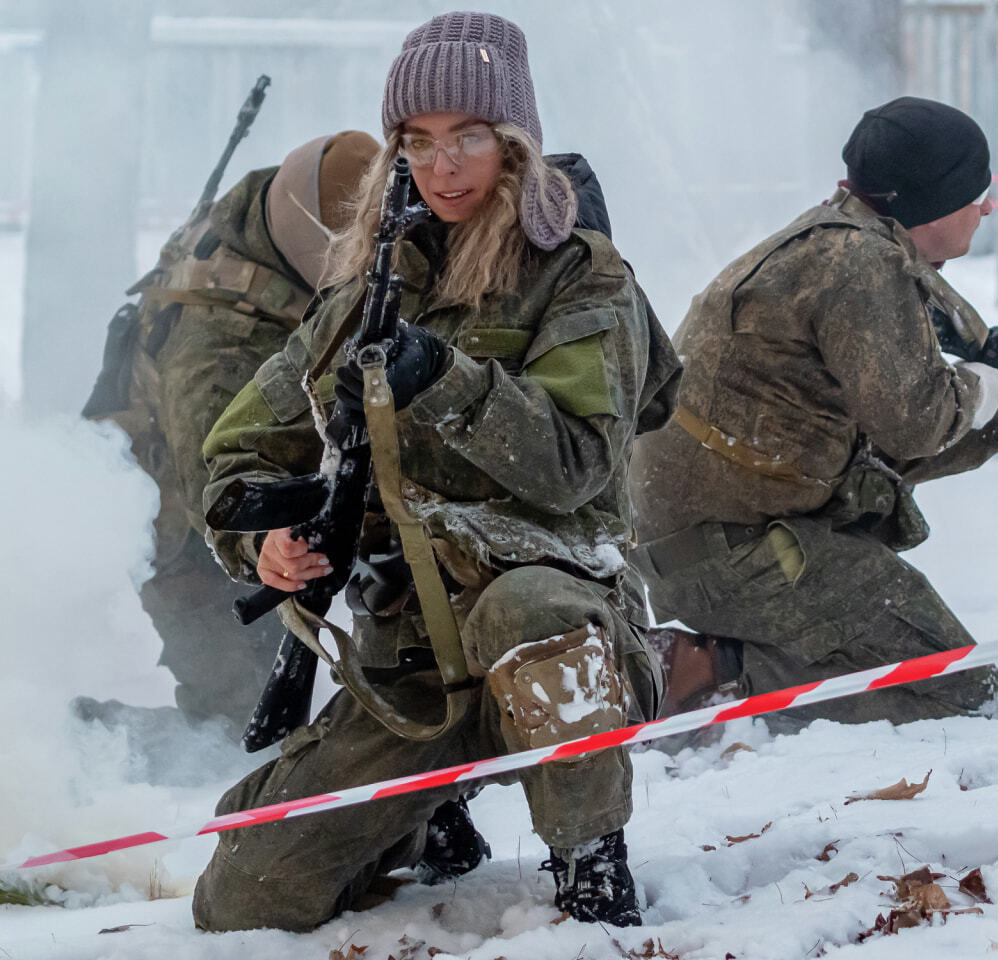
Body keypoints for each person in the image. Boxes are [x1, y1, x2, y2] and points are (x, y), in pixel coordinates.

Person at [192, 11, 680, 932]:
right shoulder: (367, 288)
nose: (443, 165)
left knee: (528, 605)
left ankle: (591, 865)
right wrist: (263, 541)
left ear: (515, 145)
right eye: (418, 142)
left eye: (469, 138)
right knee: (244, 898)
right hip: (411, 662)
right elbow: (238, 448)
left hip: (559, 636)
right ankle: (427, 821)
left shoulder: (581, 278)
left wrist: (448, 379)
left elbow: (576, 463)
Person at [629, 96, 998, 729]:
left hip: (712, 539)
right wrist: (978, 390)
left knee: (942, 674)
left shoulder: (839, 241)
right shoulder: (860, 265)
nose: (988, 205)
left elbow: (877, 450)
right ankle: (697, 676)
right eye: (974, 191)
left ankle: (718, 675)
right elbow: (915, 423)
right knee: (952, 689)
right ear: (928, 201)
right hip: (736, 553)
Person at [80, 130, 380, 730]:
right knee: (239, 727)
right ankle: (94, 740)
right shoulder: (218, 350)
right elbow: (218, 498)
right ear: (313, 243)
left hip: (221, 468)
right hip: (183, 527)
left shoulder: (264, 214)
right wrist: (270, 550)